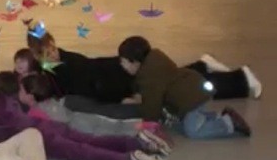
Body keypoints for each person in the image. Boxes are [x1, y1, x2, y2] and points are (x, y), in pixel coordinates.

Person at [0, 73, 172, 160]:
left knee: (86, 153)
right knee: (92, 140)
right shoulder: (7, 101)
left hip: (45, 142)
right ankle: (137, 142)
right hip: (52, 127)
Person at [26, 25, 262, 107]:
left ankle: (239, 79)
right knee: (170, 79)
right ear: (37, 54)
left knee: (172, 85)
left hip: (117, 74)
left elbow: (91, 85)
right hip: (114, 74)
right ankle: (203, 65)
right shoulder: (51, 70)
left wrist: (123, 97)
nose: (53, 53)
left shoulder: (63, 65)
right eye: (47, 52)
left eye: (53, 48)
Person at [117, 36, 252, 139]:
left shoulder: (150, 76)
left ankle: (229, 123)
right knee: (184, 123)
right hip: (193, 89)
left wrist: (148, 125)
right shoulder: (152, 64)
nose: (121, 65)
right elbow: (143, 87)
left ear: (135, 62)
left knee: (193, 131)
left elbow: (152, 104)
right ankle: (217, 117)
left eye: (123, 61)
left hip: (192, 98)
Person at [14, 52, 159, 136]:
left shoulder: (39, 79)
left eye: (24, 69)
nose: (21, 73)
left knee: (104, 117)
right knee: (103, 121)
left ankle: (143, 120)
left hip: (69, 104)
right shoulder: (23, 85)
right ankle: (142, 124)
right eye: (18, 67)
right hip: (68, 109)